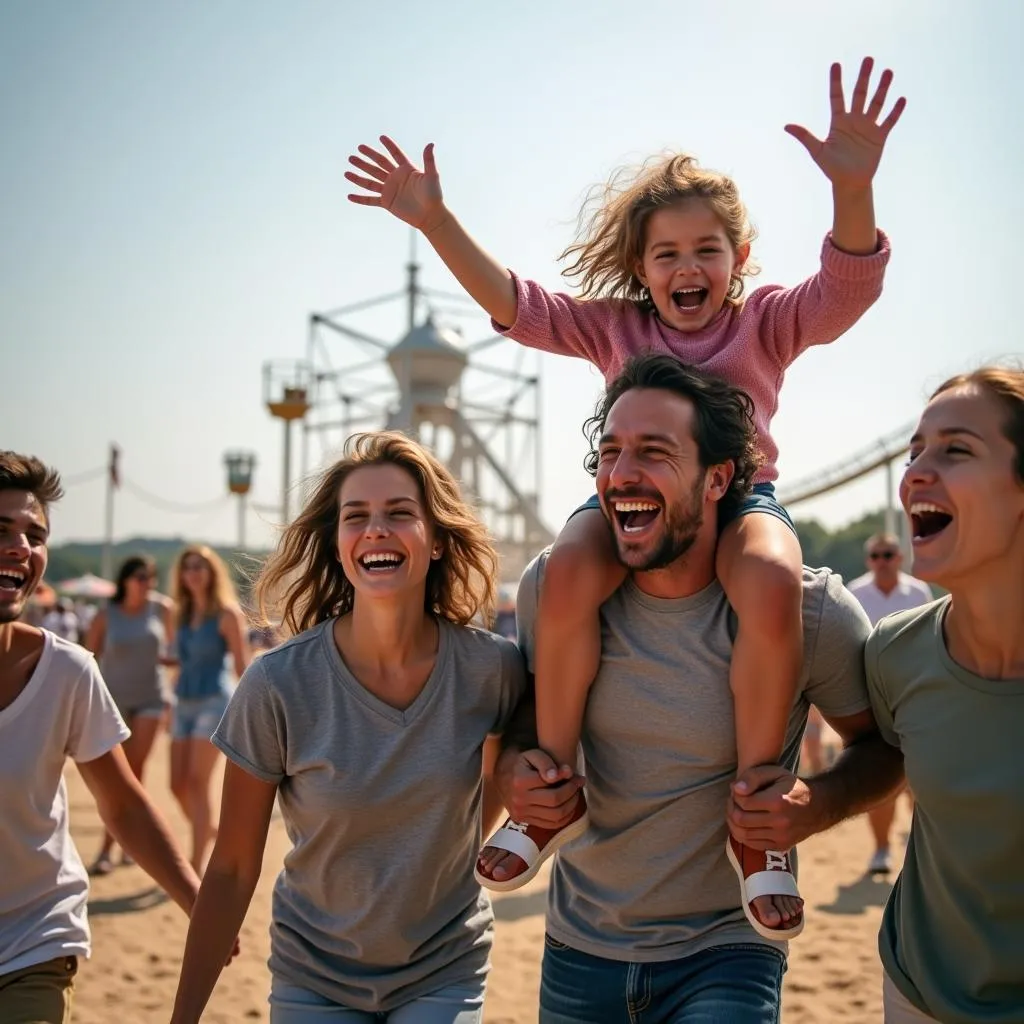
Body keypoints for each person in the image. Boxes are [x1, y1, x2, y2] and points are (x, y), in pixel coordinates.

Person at [346, 57, 905, 928]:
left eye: (706, 251)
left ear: (739, 260)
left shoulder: (764, 322)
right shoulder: (619, 328)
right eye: (667, 254)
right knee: (563, 573)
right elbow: (516, 304)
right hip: (632, 504)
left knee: (768, 581)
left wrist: (854, 190)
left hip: (742, 500)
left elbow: (846, 292)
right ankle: (549, 793)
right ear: (641, 270)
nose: (688, 268)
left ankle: (760, 824)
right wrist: (435, 218)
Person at [475, 355, 905, 1022]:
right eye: (610, 452)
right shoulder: (554, 587)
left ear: (717, 478)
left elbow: (882, 750)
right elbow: (523, 728)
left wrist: (813, 806)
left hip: (730, 948)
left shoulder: (809, 609)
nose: (621, 474)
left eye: (653, 452)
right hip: (578, 944)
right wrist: (517, 774)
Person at [169, 432, 526, 1024]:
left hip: (444, 964)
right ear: (338, 546)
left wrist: (460, 848)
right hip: (315, 975)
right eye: (355, 516)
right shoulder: (278, 685)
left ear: (436, 541)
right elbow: (231, 867)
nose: (376, 529)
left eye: (400, 513)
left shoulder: (492, 670)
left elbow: (512, 765)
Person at [0, 452, 225, 1024]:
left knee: (180, 783)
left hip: (32, 942)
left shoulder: (66, 672)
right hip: (125, 693)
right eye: (2, 531)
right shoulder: (104, 626)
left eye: (34, 534)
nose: (21, 547)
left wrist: (198, 901)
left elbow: (122, 800)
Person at [865, 367, 1024, 1023]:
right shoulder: (892, 652)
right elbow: (875, 762)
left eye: (955, 450)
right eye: (914, 451)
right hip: (916, 994)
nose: (915, 474)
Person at [846, 533, 933, 876]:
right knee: (878, 777)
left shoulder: (919, 592)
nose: (883, 561)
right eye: (877, 555)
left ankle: (919, 848)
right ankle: (881, 849)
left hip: (916, 693)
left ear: (900, 558)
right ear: (869, 560)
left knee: (921, 778)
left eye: (889, 554)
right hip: (870, 696)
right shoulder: (854, 592)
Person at [84, 554, 176, 876]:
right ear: (125, 580)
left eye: (150, 577)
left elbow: (176, 650)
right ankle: (118, 846)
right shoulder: (105, 614)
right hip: (113, 702)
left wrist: (175, 681)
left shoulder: (162, 608)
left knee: (134, 771)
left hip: (151, 699)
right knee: (119, 778)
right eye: (140, 576)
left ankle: (114, 848)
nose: (146, 583)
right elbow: (87, 659)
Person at [168, 545, 250, 874]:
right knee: (176, 785)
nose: (193, 572)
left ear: (212, 573)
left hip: (215, 700)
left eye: (200, 566)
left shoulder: (226, 613)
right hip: (183, 700)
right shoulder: (180, 613)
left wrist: (252, 711)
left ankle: (196, 863)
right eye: (188, 567)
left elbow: (243, 666)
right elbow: (179, 661)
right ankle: (209, 833)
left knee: (197, 782)